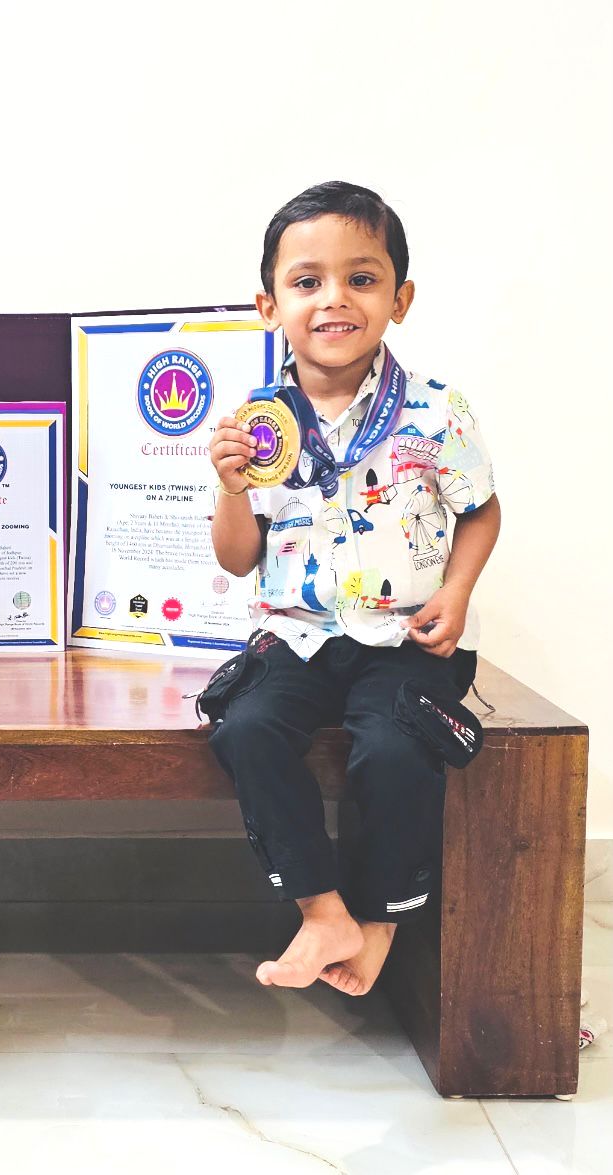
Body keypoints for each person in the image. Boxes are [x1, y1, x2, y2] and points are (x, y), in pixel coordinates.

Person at [206, 182, 501, 995]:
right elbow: (236, 558)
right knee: (245, 728)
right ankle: (323, 910)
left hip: (401, 637)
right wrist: (231, 487)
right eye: (306, 282)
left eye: (360, 278)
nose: (332, 298)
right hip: (294, 635)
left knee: (398, 748)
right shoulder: (258, 424)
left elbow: (479, 512)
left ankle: (378, 921)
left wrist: (458, 589)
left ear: (398, 299)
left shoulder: (437, 412)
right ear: (269, 304)